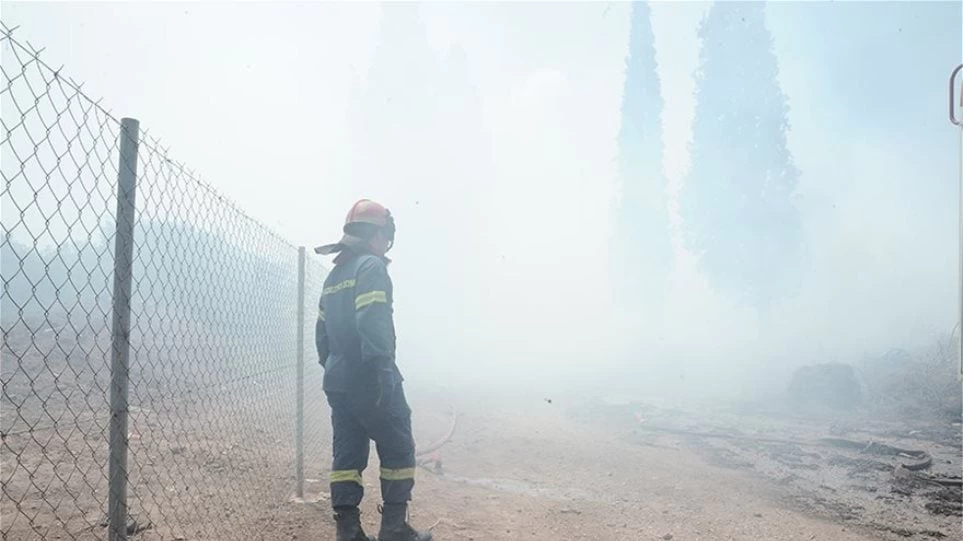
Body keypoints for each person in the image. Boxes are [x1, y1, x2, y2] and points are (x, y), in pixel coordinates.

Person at [314, 199, 432, 541]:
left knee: (347, 454)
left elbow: (322, 335)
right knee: (398, 446)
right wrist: (381, 369)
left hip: (338, 380)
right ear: (378, 234)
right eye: (386, 236)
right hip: (369, 377)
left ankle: (348, 531)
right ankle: (394, 529)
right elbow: (373, 318)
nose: (387, 243)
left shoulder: (335, 275)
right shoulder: (371, 266)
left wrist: (335, 368)